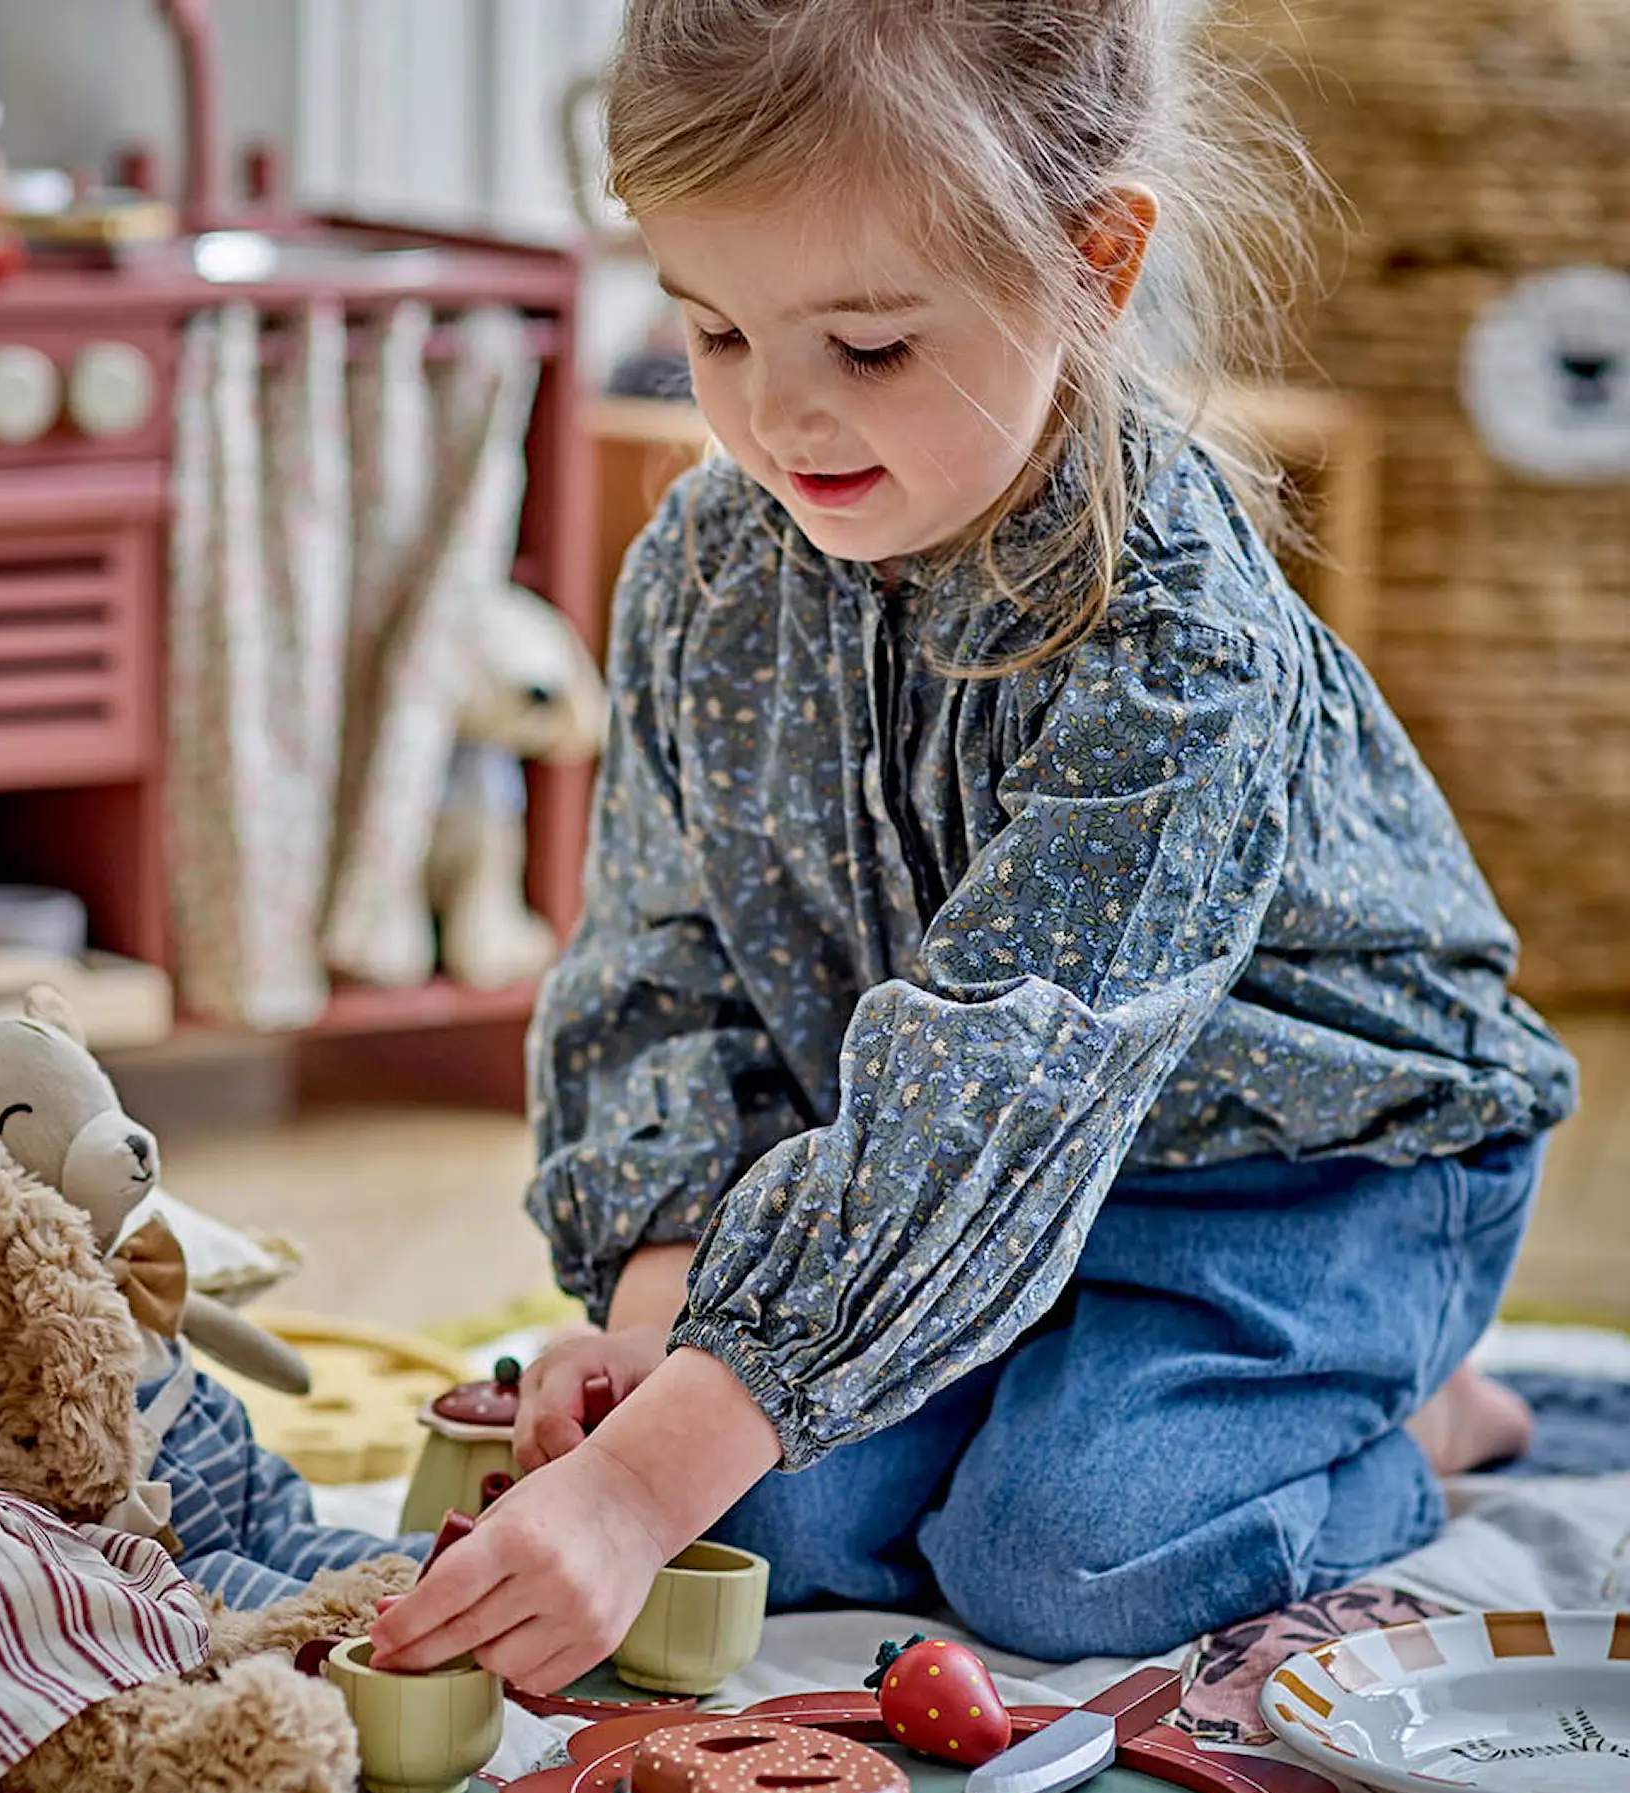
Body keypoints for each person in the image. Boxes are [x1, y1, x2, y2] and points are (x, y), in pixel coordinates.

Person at [371, 0, 1577, 1686]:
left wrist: (647, 1481)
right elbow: (659, 969)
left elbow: (1006, 1080)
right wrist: (659, 1319)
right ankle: (1016, 1359)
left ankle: (1412, 1415)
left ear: (1093, 265)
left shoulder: (1174, 637)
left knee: (1059, 1561)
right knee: (761, 1520)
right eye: (714, 334)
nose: (780, 422)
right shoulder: (704, 577)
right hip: (955, 1177)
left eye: (865, 348)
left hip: (1308, 1178)